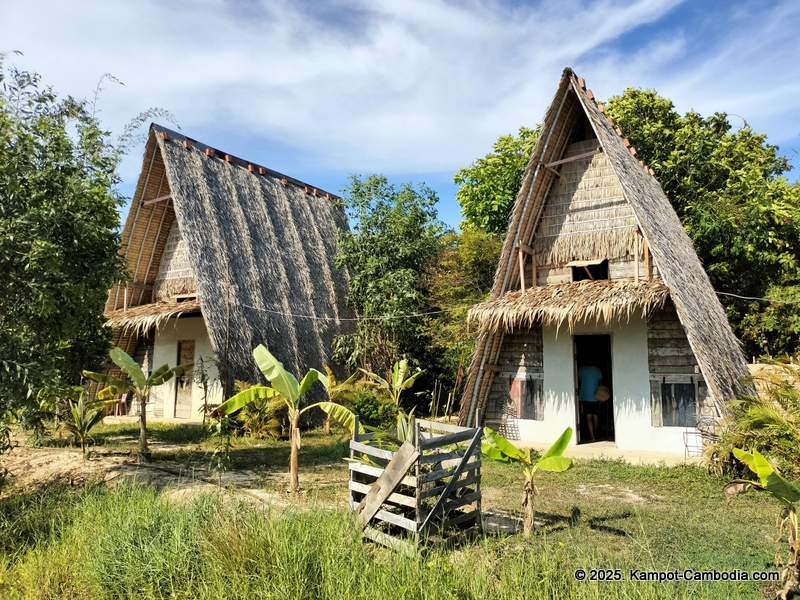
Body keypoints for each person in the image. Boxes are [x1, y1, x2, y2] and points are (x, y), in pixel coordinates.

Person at [578, 364, 603, 442]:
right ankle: (595, 433)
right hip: (596, 396)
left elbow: (577, 381)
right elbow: (601, 385)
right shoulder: (598, 370)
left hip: (585, 396)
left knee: (588, 416)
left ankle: (592, 436)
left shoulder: (581, 369)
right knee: (595, 416)